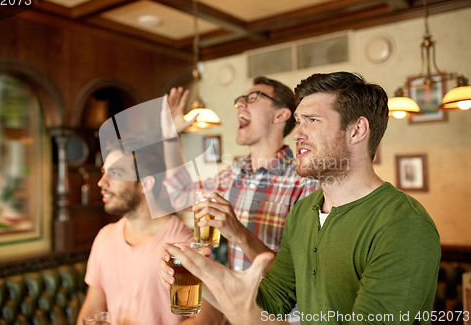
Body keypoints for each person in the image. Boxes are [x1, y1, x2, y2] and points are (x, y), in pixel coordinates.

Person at [160, 72, 441, 324]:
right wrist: (197, 273)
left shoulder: (404, 225)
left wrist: (250, 318)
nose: (298, 135)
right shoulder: (306, 211)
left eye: (312, 121)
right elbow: (272, 303)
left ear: (357, 131)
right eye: (299, 122)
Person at [162, 77, 321, 272]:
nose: (239, 104)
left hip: (281, 302)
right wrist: (169, 138)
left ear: (280, 115)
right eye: (239, 100)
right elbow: (179, 196)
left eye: (252, 98)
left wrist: (238, 232)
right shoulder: (235, 173)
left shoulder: (306, 180)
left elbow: (304, 269)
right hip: (236, 300)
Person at [77, 139, 222, 325]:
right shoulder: (104, 237)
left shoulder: (184, 244)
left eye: (115, 173)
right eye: (104, 173)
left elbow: (209, 319)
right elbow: (91, 309)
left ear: (146, 183)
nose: (101, 182)